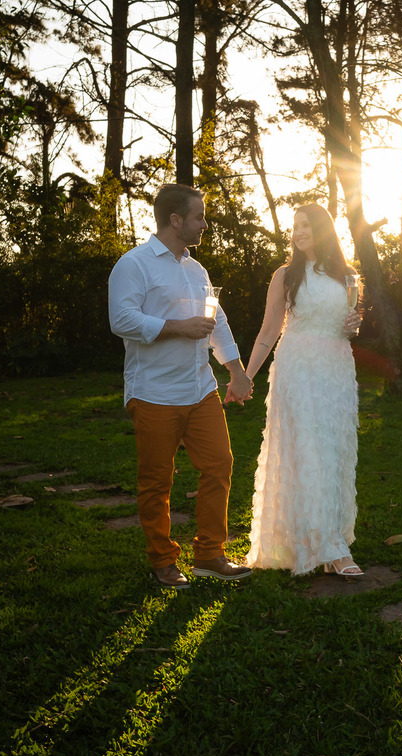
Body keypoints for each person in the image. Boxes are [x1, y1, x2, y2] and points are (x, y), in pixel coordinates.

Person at [108, 184, 254, 589]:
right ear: (175, 220)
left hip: (200, 388)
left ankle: (209, 554)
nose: (204, 224)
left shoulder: (196, 268)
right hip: (154, 392)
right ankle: (163, 561)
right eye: (198, 217)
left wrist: (236, 371)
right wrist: (177, 329)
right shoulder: (134, 265)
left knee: (220, 464)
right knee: (157, 481)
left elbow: (215, 321)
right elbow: (121, 320)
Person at [244, 204, 364, 577]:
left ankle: (327, 541)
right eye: (295, 226)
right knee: (308, 450)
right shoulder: (285, 275)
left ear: (323, 230)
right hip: (297, 367)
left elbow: (349, 327)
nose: (298, 232)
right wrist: (246, 375)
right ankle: (330, 547)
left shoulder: (347, 276)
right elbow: (268, 331)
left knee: (334, 450)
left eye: (306, 225)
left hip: (336, 368)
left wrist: (354, 325)